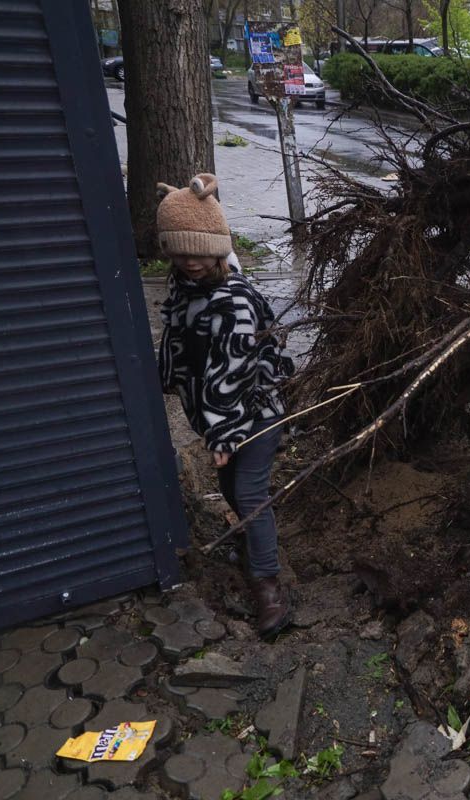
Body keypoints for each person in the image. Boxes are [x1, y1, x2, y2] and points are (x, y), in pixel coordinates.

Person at [156, 173, 295, 639]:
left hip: (254, 414)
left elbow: (229, 372)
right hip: (224, 419)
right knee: (231, 486)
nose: (190, 261)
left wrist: (224, 434)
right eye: (179, 251)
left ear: (218, 246)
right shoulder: (185, 289)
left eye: (199, 250)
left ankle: (269, 587)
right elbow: (176, 340)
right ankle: (256, 547)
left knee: (251, 494)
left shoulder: (235, 301)